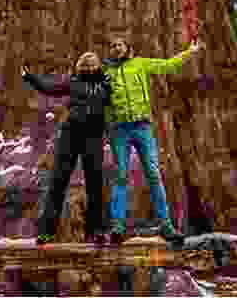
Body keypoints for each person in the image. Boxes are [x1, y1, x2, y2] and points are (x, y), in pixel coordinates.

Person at [102, 36, 205, 246]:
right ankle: (117, 227)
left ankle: (166, 225)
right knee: (120, 175)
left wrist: (190, 52)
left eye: (119, 44)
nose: (116, 48)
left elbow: (167, 65)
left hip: (142, 126)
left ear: (127, 47)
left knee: (153, 172)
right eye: (112, 46)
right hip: (119, 129)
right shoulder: (106, 74)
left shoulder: (140, 63)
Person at [22, 51, 112, 245]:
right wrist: (30, 77)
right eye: (85, 66)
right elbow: (49, 88)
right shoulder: (73, 82)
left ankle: (97, 231)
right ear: (79, 68)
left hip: (93, 136)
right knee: (58, 181)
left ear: (98, 67)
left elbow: (118, 101)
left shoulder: (106, 84)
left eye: (91, 65)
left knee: (95, 184)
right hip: (71, 134)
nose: (88, 68)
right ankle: (46, 231)